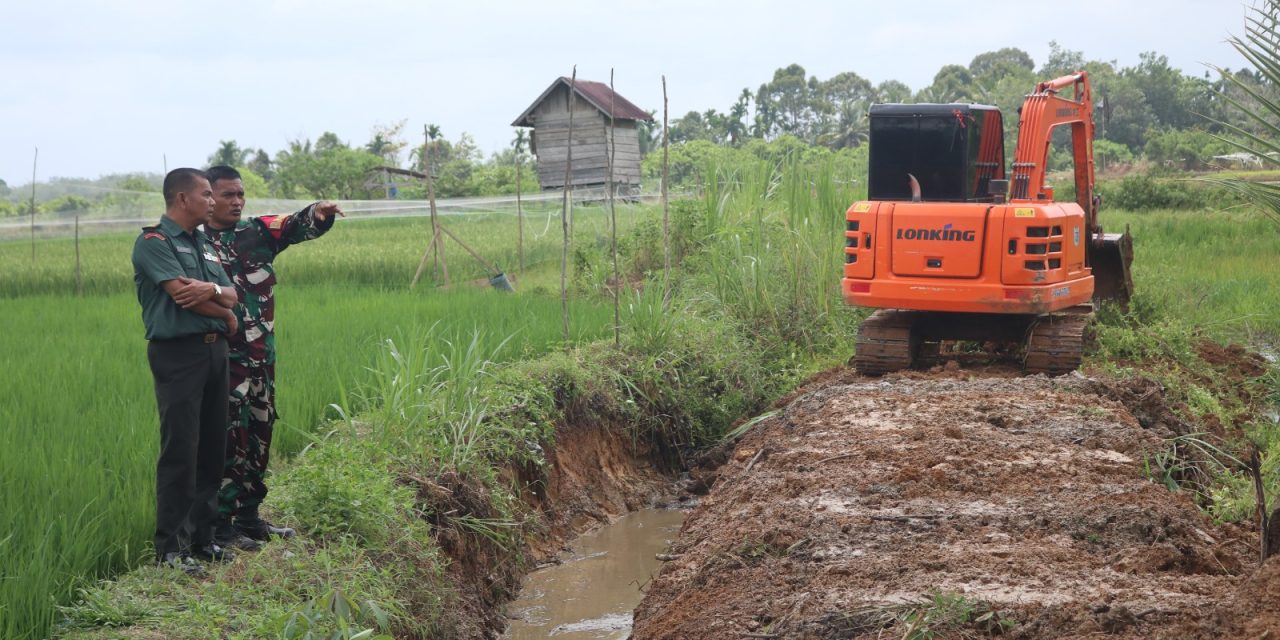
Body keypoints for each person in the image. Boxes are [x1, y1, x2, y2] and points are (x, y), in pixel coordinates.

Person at [203, 165, 342, 548]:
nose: (237, 201)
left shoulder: (255, 232)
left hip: (262, 356)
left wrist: (319, 213)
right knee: (230, 440)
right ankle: (220, 524)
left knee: (261, 434)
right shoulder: (192, 244)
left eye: (240, 194)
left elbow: (295, 224)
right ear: (208, 197)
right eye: (228, 194)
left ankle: (249, 516)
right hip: (224, 362)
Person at [132, 168, 240, 573]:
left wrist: (214, 295)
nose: (214, 201)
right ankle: (170, 549)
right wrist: (225, 315)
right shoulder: (153, 243)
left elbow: (230, 293)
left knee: (213, 446)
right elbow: (181, 296)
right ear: (182, 199)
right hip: (178, 355)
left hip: (215, 354)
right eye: (207, 194)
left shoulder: (204, 244)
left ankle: (203, 539)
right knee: (181, 449)